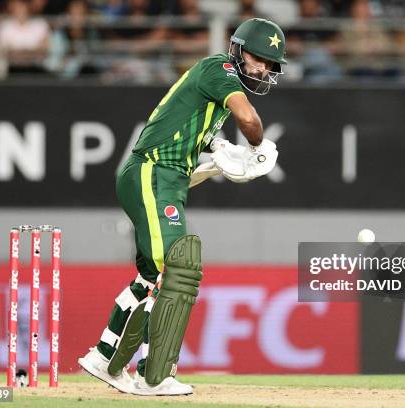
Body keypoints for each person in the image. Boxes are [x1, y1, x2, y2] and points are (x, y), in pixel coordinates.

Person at [78, 17, 285, 396]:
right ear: (238, 50)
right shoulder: (220, 70)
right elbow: (249, 119)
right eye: (260, 59)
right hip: (154, 172)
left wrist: (219, 148)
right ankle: (153, 375)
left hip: (164, 178)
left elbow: (188, 131)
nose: (264, 69)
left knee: (152, 274)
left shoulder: (215, 89)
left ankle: (105, 358)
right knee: (176, 266)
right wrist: (256, 146)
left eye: (271, 66)